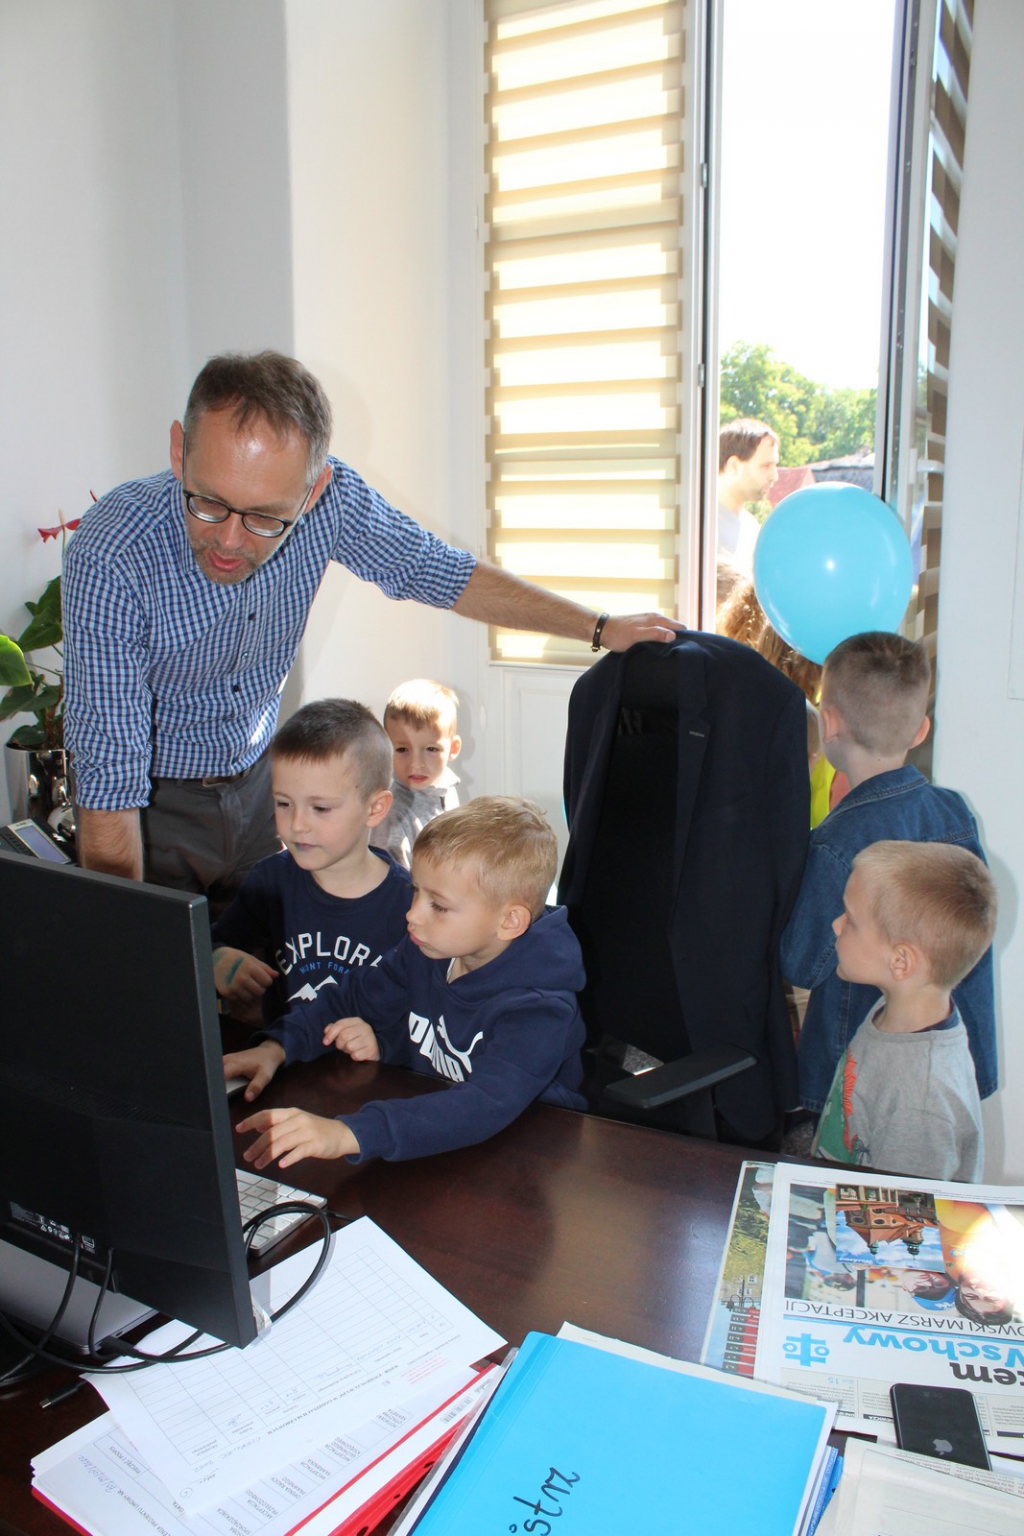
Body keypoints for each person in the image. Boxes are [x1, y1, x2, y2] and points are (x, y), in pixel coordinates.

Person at [62, 351, 682, 899]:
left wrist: (599, 627)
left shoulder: (334, 502)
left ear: (313, 490)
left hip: (263, 785)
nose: (228, 539)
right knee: (173, 981)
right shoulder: (114, 549)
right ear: (179, 451)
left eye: (266, 518)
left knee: (274, 972)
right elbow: (110, 777)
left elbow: (441, 572)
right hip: (151, 804)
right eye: (209, 502)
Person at [224, 797, 586, 1166]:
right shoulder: (428, 950)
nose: (412, 914)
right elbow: (351, 998)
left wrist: (351, 1134)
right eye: (416, 890)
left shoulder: (539, 1008)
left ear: (509, 921)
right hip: (435, 1134)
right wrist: (276, 1047)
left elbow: (482, 1105)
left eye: (438, 905)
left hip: (528, 1153)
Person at [780, 631, 998, 1114]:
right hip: (947, 1058)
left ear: (828, 723)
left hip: (862, 1071)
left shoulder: (837, 841)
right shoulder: (954, 812)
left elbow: (801, 963)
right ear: (920, 731)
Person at [209, 699, 410, 1025]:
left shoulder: (408, 904)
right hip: (280, 1052)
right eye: (283, 803)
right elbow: (210, 945)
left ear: (375, 809)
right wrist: (218, 959)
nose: (297, 824)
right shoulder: (270, 881)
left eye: (320, 808)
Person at [811, 840, 996, 1181]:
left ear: (900, 962)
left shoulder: (921, 1104)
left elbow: (900, 1210)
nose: (837, 925)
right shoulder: (893, 1007)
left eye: (851, 920)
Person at [369, 678, 461, 870]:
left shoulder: (447, 786)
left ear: (453, 749)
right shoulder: (392, 815)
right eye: (402, 750)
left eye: (431, 749)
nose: (416, 764)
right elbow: (390, 879)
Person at [716, 418, 779, 572]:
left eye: (775, 465)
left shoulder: (751, 527)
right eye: (766, 466)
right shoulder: (698, 526)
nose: (774, 476)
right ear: (734, 466)